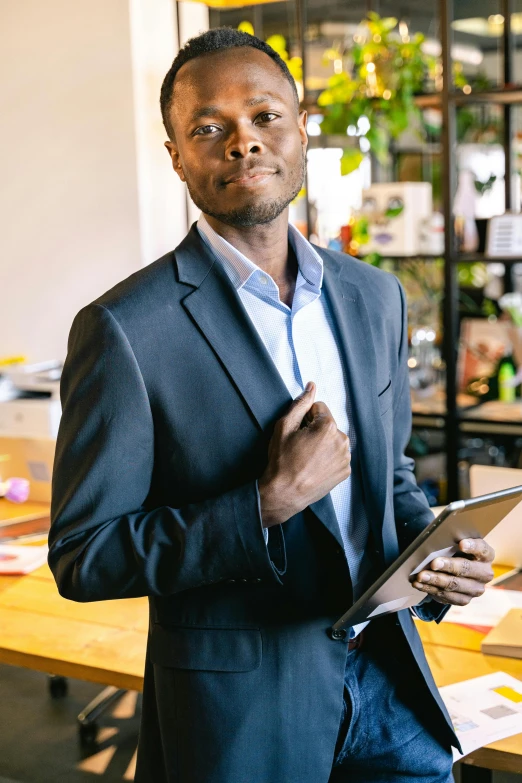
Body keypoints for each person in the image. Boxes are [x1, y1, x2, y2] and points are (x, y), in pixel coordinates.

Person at [49, 28, 495, 783]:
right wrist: (263, 504)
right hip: (244, 715)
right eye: (208, 128)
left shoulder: (374, 296)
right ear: (176, 156)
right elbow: (82, 554)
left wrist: (438, 554)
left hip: (392, 683)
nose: (243, 144)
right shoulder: (124, 329)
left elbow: (390, 483)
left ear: (302, 127)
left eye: (264, 117)